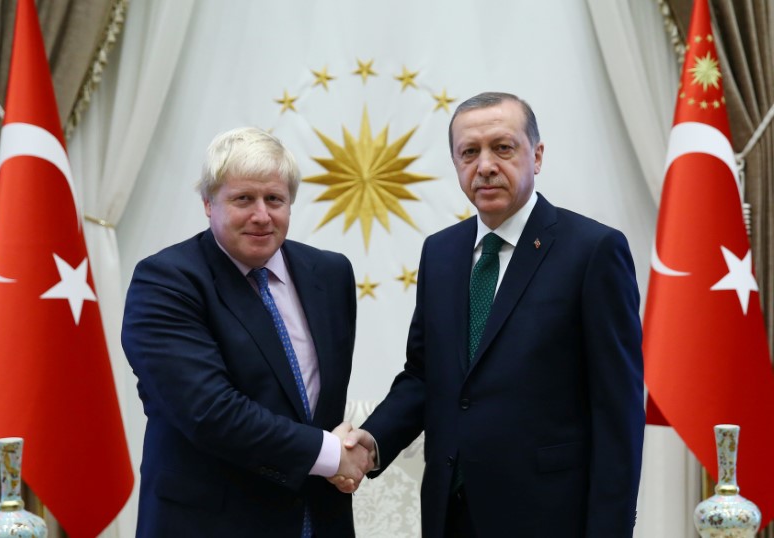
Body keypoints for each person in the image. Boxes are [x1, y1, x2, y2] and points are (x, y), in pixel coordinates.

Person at [339, 92, 645, 537]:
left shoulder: (593, 251)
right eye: (469, 152)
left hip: (551, 518)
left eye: (503, 148)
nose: (484, 165)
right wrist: (372, 441)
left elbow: (618, 411)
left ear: (536, 156)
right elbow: (426, 376)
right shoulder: (441, 252)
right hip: (452, 514)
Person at [122, 127, 373, 537]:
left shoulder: (330, 273)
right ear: (208, 203)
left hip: (318, 517)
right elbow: (210, 411)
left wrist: (352, 449)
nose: (261, 215)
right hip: (211, 522)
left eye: (274, 199)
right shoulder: (165, 281)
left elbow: (318, 403)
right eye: (243, 199)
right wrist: (331, 453)